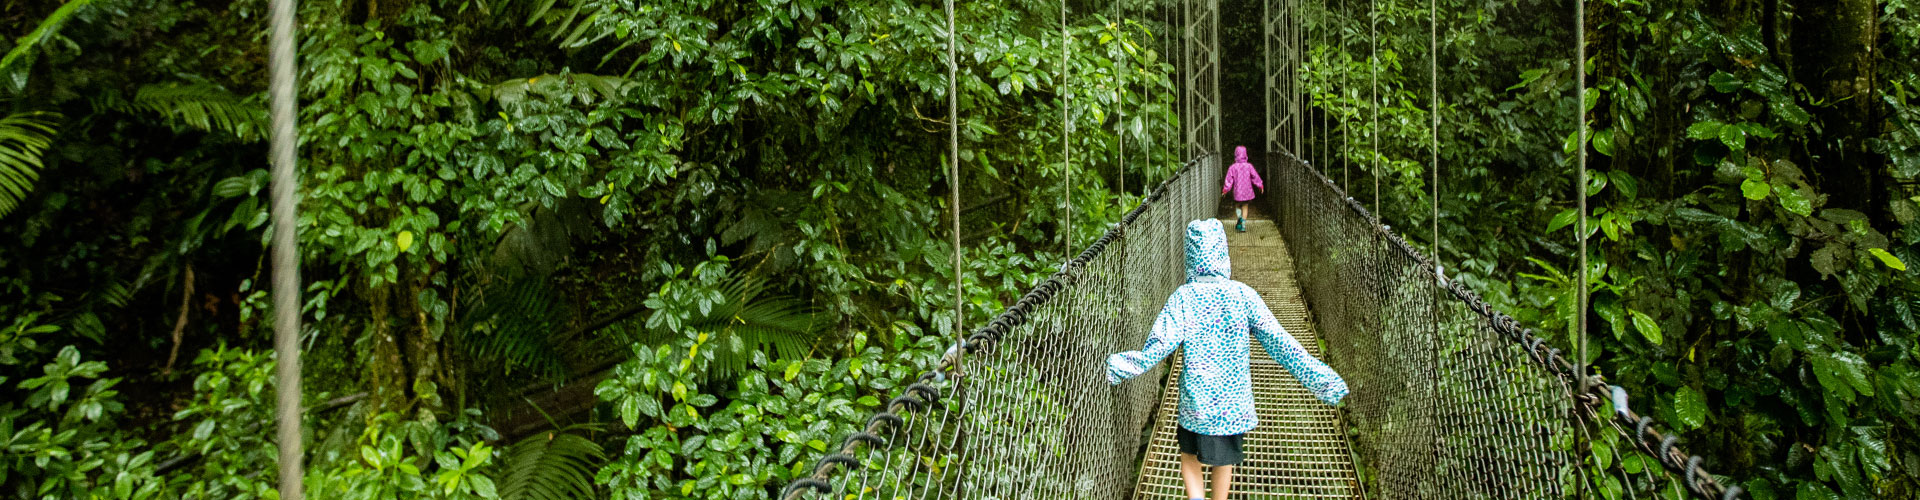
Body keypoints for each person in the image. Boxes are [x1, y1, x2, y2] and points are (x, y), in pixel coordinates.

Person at [1106, 219, 1348, 500]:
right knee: (1224, 462)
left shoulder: (1183, 298)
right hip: (1232, 405)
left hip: (1196, 403)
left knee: (1189, 457)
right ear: (1223, 253)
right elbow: (1280, 342)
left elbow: (1159, 345)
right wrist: (1322, 380)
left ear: (1190, 257)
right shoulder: (1243, 295)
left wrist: (1120, 366)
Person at [1220, 146, 1264, 232]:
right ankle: (1243, 226)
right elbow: (1255, 176)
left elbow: (1229, 180)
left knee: (1237, 205)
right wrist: (1260, 185)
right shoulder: (1249, 166)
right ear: (1245, 155)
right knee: (1245, 207)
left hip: (1238, 192)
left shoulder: (1233, 167)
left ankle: (1239, 218)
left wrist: (1225, 190)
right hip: (1247, 191)